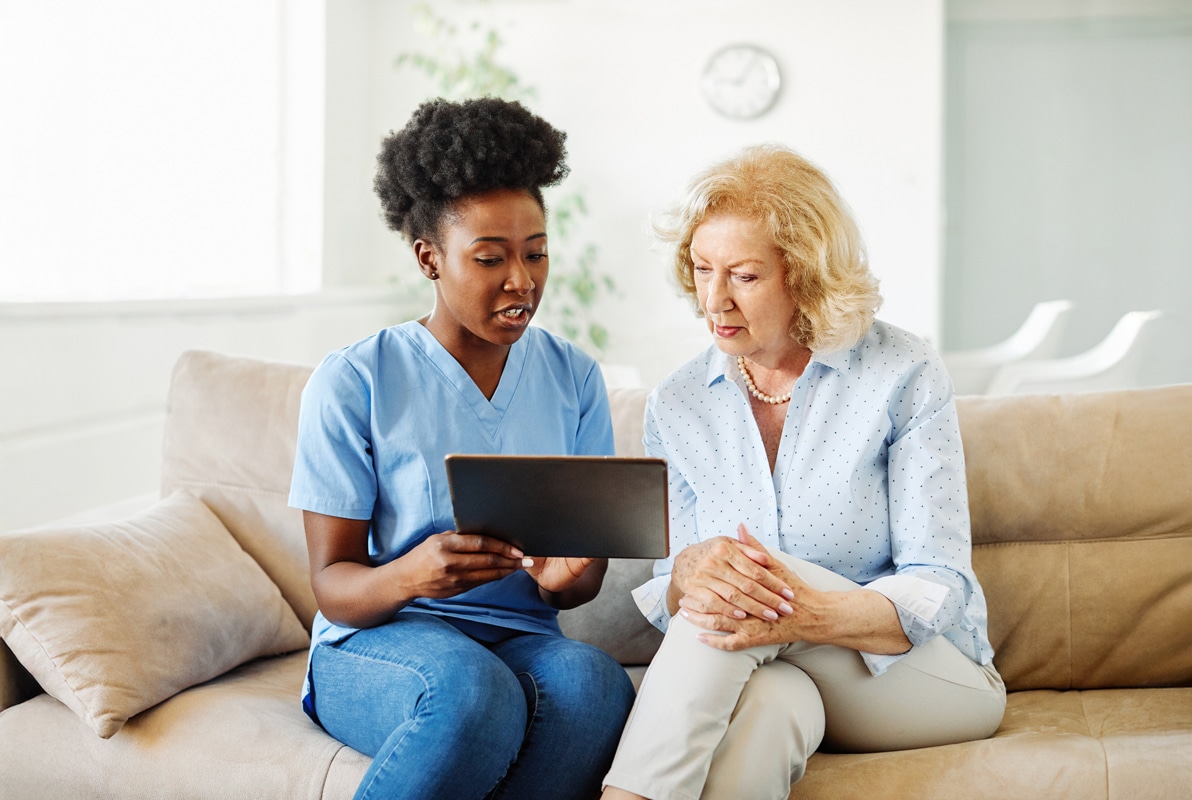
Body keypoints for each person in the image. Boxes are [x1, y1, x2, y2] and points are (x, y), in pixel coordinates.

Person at [601, 145, 1006, 800]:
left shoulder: (900, 373)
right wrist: (688, 569)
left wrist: (805, 615)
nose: (714, 299)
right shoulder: (678, 403)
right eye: (702, 270)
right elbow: (677, 590)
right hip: (777, 671)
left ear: (806, 276)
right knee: (766, 707)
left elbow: (940, 581)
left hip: (921, 678)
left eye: (745, 276)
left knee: (744, 573)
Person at [289, 97, 635, 800]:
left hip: (521, 635)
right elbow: (333, 585)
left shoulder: (574, 378)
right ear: (430, 258)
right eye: (490, 258)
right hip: (380, 642)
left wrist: (568, 576)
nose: (522, 280)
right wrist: (411, 575)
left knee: (595, 685)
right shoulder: (356, 379)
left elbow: (581, 582)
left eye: (536, 253)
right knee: (472, 689)